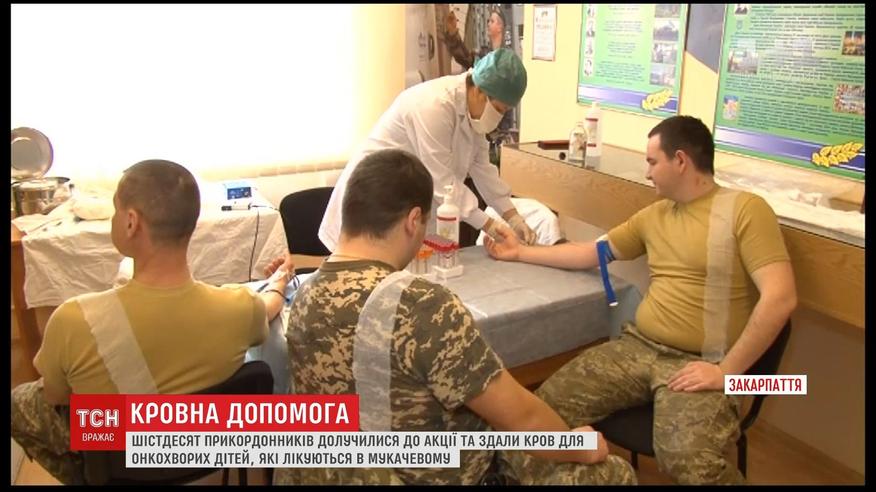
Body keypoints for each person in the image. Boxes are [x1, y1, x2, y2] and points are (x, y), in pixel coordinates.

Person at [276, 149, 635, 485]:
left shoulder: (304, 296)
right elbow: (521, 416)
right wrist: (578, 446)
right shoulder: (419, 304)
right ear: (413, 221)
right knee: (610, 471)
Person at [485, 116, 797, 484]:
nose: (647, 173)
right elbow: (591, 253)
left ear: (680, 161)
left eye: (652, 162)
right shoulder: (655, 215)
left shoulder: (744, 210)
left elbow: (780, 299)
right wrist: (521, 252)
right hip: (638, 348)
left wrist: (725, 372)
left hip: (702, 363)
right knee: (541, 410)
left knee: (687, 460)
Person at [11, 159, 294, 485]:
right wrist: (280, 279)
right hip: (204, 448)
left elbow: (56, 397)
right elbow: (270, 305)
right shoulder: (240, 307)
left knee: (20, 401)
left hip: (120, 457)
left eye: (116, 210)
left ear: (131, 222)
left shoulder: (73, 320)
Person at [319, 48, 537, 253]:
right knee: (364, 273)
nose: (498, 117)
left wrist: (514, 218)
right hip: (371, 202)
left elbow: (483, 170)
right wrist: (489, 225)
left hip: (407, 209)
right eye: (498, 109)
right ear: (480, 90)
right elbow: (442, 181)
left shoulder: (474, 117)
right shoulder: (434, 105)